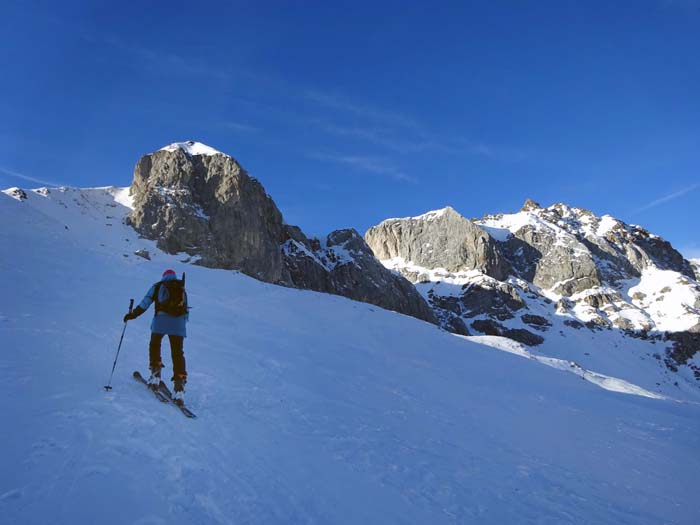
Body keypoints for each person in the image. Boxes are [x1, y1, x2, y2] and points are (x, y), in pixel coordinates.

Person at [124, 269, 189, 405]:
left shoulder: (158, 286)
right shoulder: (181, 287)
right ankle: (179, 387)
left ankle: (155, 375)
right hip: (178, 325)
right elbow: (185, 311)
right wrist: (180, 326)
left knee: (155, 345)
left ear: (163, 277)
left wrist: (132, 315)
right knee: (177, 354)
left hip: (160, 322)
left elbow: (145, 303)